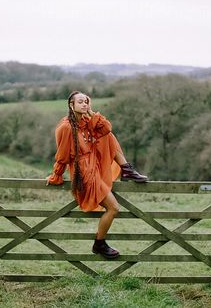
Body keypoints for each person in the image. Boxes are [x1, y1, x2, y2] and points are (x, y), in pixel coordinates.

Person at [46, 91, 148, 258]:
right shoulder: (66, 127)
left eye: (87, 101)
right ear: (71, 105)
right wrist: (56, 175)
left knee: (107, 136)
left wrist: (91, 112)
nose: (84, 104)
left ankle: (127, 169)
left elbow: (106, 128)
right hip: (84, 172)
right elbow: (63, 156)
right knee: (114, 208)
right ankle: (99, 243)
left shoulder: (86, 121)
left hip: (95, 162)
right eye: (80, 102)